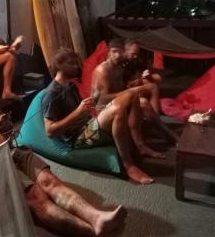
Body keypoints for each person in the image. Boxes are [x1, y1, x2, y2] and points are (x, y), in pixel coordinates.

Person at [0, 46, 126, 236]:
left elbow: (6, 131)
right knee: (36, 197)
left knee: (50, 182)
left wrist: (6, 127)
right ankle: (91, 232)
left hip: (14, 151)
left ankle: (97, 217)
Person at [42, 48, 164, 185]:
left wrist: (92, 102)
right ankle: (128, 165)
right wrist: (78, 112)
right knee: (118, 109)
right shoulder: (51, 93)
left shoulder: (70, 86)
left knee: (131, 95)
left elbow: (82, 112)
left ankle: (140, 145)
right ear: (59, 65)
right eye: (71, 63)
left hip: (88, 124)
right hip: (78, 137)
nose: (76, 66)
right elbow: (50, 131)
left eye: (76, 63)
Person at [92, 38, 178, 144]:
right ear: (109, 51)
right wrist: (132, 91)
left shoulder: (119, 66)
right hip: (105, 110)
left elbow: (122, 86)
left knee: (147, 93)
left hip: (118, 101)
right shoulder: (103, 70)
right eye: (114, 51)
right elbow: (102, 98)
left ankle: (158, 127)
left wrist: (132, 85)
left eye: (120, 52)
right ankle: (164, 132)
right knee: (143, 101)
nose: (117, 55)